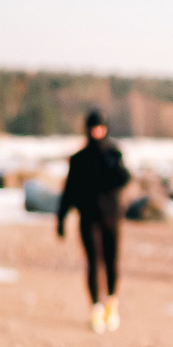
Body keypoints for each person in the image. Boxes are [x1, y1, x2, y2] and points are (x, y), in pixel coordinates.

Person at [57, 110, 131, 332]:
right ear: (87, 130)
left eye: (100, 127)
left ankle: (111, 303)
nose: (97, 132)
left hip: (111, 218)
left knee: (111, 263)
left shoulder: (114, 154)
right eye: (93, 127)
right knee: (92, 263)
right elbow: (69, 191)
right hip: (88, 218)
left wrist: (115, 164)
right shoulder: (79, 159)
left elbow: (124, 179)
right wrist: (61, 219)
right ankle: (95, 309)